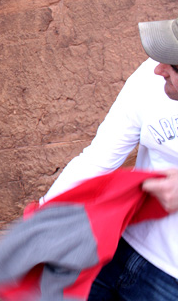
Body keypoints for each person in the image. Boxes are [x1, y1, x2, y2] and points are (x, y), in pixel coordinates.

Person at [41, 17, 178, 300]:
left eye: (173, 66)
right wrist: (43, 216)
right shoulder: (149, 78)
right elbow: (99, 158)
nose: (158, 68)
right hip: (115, 245)